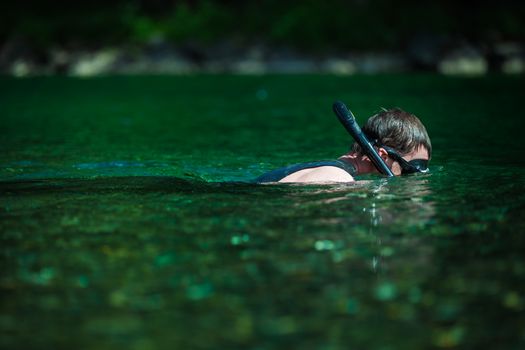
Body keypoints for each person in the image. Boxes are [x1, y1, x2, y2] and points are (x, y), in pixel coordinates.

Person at [255, 108, 431, 183]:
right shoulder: (337, 176)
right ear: (383, 156)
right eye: (413, 169)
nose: (415, 176)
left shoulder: (336, 171)